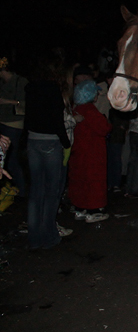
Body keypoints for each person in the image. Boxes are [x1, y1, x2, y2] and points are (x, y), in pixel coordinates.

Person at [25, 55, 72, 249]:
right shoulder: (52, 89)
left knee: (36, 191)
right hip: (50, 141)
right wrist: (66, 143)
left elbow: (28, 116)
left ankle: (34, 238)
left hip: (32, 140)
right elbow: (57, 120)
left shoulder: (30, 87)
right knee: (52, 192)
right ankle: (48, 236)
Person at [68, 80, 112, 223]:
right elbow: (104, 128)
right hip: (93, 153)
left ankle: (80, 207)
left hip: (78, 151)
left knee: (79, 179)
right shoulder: (90, 111)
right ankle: (94, 210)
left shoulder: (76, 109)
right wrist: (107, 122)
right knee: (94, 180)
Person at [0, 57, 28, 196]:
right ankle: (11, 188)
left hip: (14, 123)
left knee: (11, 159)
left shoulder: (21, 82)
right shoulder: (1, 82)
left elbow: (27, 103)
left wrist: (7, 101)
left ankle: (21, 190)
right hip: (2, 121)